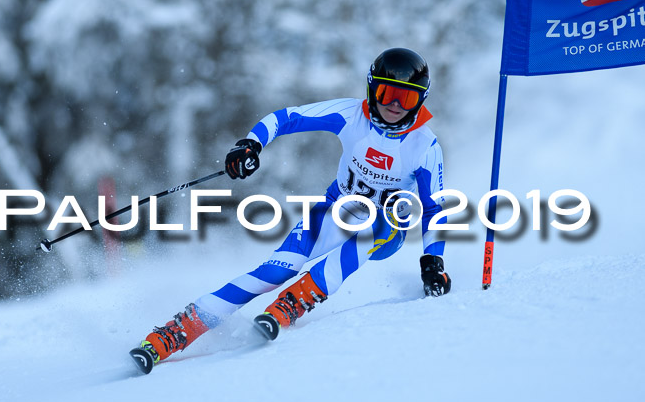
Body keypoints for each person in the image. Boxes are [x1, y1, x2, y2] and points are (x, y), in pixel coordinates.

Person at [134, 48, 451, 368]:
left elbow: (433, 209)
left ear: (420, 100)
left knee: (378, 227)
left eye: (407, 99)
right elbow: (285, 118)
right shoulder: (352, 115)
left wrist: (432, 261)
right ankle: (172, 333)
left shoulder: (424, 146)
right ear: (372, 89)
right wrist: (251, 143)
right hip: (335, 210)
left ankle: (292, 303)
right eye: (387, 94)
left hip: (386, 228)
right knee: (274, 271)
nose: (395, 105)